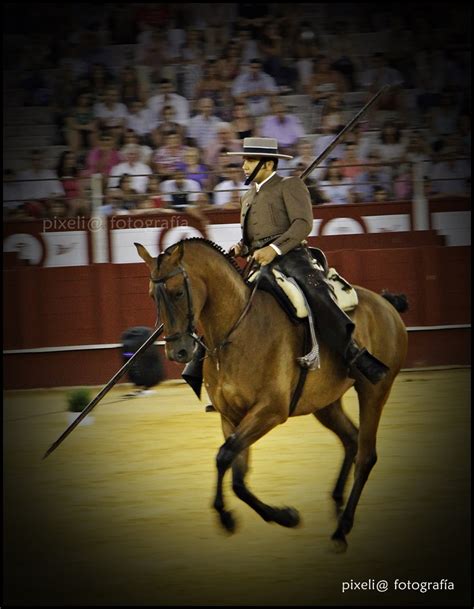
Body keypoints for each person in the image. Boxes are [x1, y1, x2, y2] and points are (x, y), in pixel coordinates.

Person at [226, 137, 389, 384]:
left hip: (291, 257)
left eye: (250, 160)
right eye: (244, 160)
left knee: (317, 293)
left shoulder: (290, 185)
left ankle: (354, 354)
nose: (244, 166)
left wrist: (274, 249)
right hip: (259, 261)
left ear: (268, 165)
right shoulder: (246, 197)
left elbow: (303, 224)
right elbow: (250, 237)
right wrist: (242, 247)